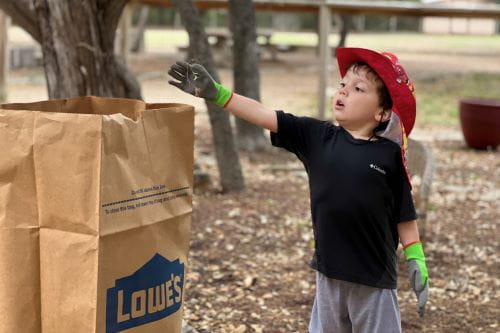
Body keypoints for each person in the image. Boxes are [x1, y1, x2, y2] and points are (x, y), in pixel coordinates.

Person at [168, 47, 429, 333]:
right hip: (329, 273)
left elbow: (404, 214)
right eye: (342, 84)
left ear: (382, 112)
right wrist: (217, 93)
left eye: (358, 88)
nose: (343, 91)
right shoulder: (317, 136)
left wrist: (416, 259)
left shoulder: (389, 156)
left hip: (374, 280)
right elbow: (263, 114)